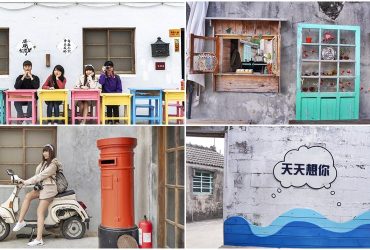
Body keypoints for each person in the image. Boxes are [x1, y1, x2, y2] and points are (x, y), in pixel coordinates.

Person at [12, 144, 61, 246]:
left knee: (40, 211)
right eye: (43, 151)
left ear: (51, 152)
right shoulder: (44, 163)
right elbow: (37, 175)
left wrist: (26, 182)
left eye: (47, 151)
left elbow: (40, 176)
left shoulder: (53, 165)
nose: (45, 153)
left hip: (49, 190)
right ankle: (21, 221)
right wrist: (22, 181)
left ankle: (39, 239)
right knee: (28, 196)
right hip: (42, 188)